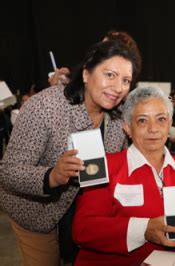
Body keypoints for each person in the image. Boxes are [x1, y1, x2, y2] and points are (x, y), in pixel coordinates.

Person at [0, 40, 142, 266]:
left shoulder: (119, 117)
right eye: (110, 75)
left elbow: (121, 163)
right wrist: (52, 176)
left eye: (126, 80)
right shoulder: (45, 107)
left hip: (85, 211)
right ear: (86, 74)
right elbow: (8, 172)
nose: (118, 87)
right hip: (37, 211)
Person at [72, 87, 175, 265]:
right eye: (142, 121)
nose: (153, 129)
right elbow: (84, 229)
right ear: (127, 128)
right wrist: (143, 229)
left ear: (169, 125)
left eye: (161, 119)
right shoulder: (102, 167)